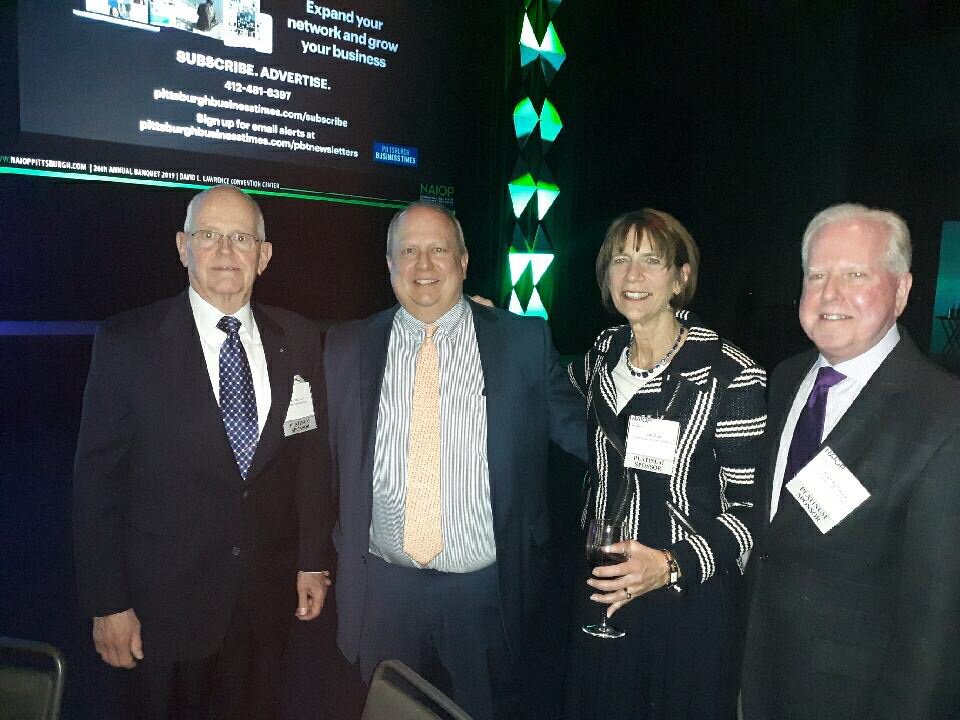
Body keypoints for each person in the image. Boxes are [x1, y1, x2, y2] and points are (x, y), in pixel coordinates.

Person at [73, 185, 332, 720]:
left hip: (263, 605)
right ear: (182, 246)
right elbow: (96, 486)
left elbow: (309, 460)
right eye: (209, 235)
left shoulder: (300, 338)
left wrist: (312, 560)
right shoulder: (128, 342)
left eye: (241, 238)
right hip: (162, 610)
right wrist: (108, 602)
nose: (225, 251)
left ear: (263, 255)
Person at [323, 201, 586, 720]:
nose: (423, 264)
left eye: (438, 249)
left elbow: (585, 434)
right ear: (390, 264)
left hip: (484, 594)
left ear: (463, 262)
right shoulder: (346, 346)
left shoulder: (521, 342)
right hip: (383, 592)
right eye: (409, 251)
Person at [740, 204, 960, 719]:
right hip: (757, 676)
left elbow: (935, 626)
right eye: (817, 275)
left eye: (855, 275)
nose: (830, 294)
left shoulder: (943, 416)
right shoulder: (785, 379)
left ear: (901, 290)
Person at [563, 209, 766, 720]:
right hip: (602, 586)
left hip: (683, 602)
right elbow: (539, 381)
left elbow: (750, 515)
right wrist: (489, 323)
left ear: (680, 278)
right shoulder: (601, 356)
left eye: (651, 261)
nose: (633, 275)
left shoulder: (729, 376)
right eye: (620, 260)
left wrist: (669, 564)